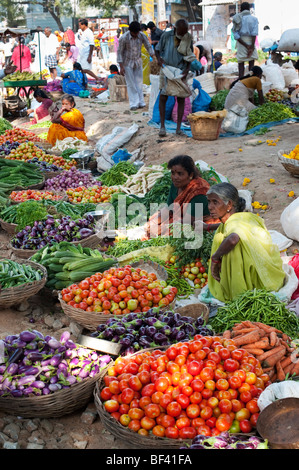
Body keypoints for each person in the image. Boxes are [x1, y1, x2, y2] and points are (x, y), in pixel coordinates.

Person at [205, 182, 285, 303]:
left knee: (228, 245)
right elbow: (227, 226)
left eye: (215, 202)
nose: (210, 207)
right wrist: (208, 227)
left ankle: (238, 286)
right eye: (209, 202)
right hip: (265, 269)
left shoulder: (233, 224)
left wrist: (215, 258)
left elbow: (233, 239)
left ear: (229, 204)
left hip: (255, 279)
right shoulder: (242, 217)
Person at [145, 155, 216, 238]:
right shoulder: (176, 184)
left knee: (169, 234)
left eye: (180, 174)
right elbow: (169, 208)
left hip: (196, 222)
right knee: (152, 223)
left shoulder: (199, 192)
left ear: (190, 175)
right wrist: (153, 222)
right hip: (181, 218)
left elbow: (188, 221)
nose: (175, 177)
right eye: (173, 173)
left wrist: (162, 228)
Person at [155, 18, 195, 137]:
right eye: (181, 32)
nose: (183, 34)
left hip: (180, 71)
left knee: (181, 98)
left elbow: (190, 55)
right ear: (175, 28)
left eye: (185, 32)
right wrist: (159, 59)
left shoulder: (188, 38)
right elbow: (157, 50)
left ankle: (178, 128)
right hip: (167, 69)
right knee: (163, 97)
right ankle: (162, 127)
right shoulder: (166, 36)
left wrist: (187, 69)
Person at [117, 21, 155, 111]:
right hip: (127, 63)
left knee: (139, 82)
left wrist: (153, 56)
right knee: (130, 84)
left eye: (137, 32)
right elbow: (119, 52)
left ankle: (141, 102)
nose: (136, 34)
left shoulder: (142, 35)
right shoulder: (124, 38)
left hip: (138, 61)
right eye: (134, 33)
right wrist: (121, 67)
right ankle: (134, 103)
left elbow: (148, 46)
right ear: (130, 31)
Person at [232, 2, 259, 78]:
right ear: (249, 9)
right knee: (251, 62)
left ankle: (241, 80)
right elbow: (254, 33)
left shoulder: (237, 18)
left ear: (241, 9)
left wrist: (246, 45)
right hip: (251, 42)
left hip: (241, 42)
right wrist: (251, 46)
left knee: (241, 63)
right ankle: (251, 80)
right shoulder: (254, 19)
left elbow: (236, 34)